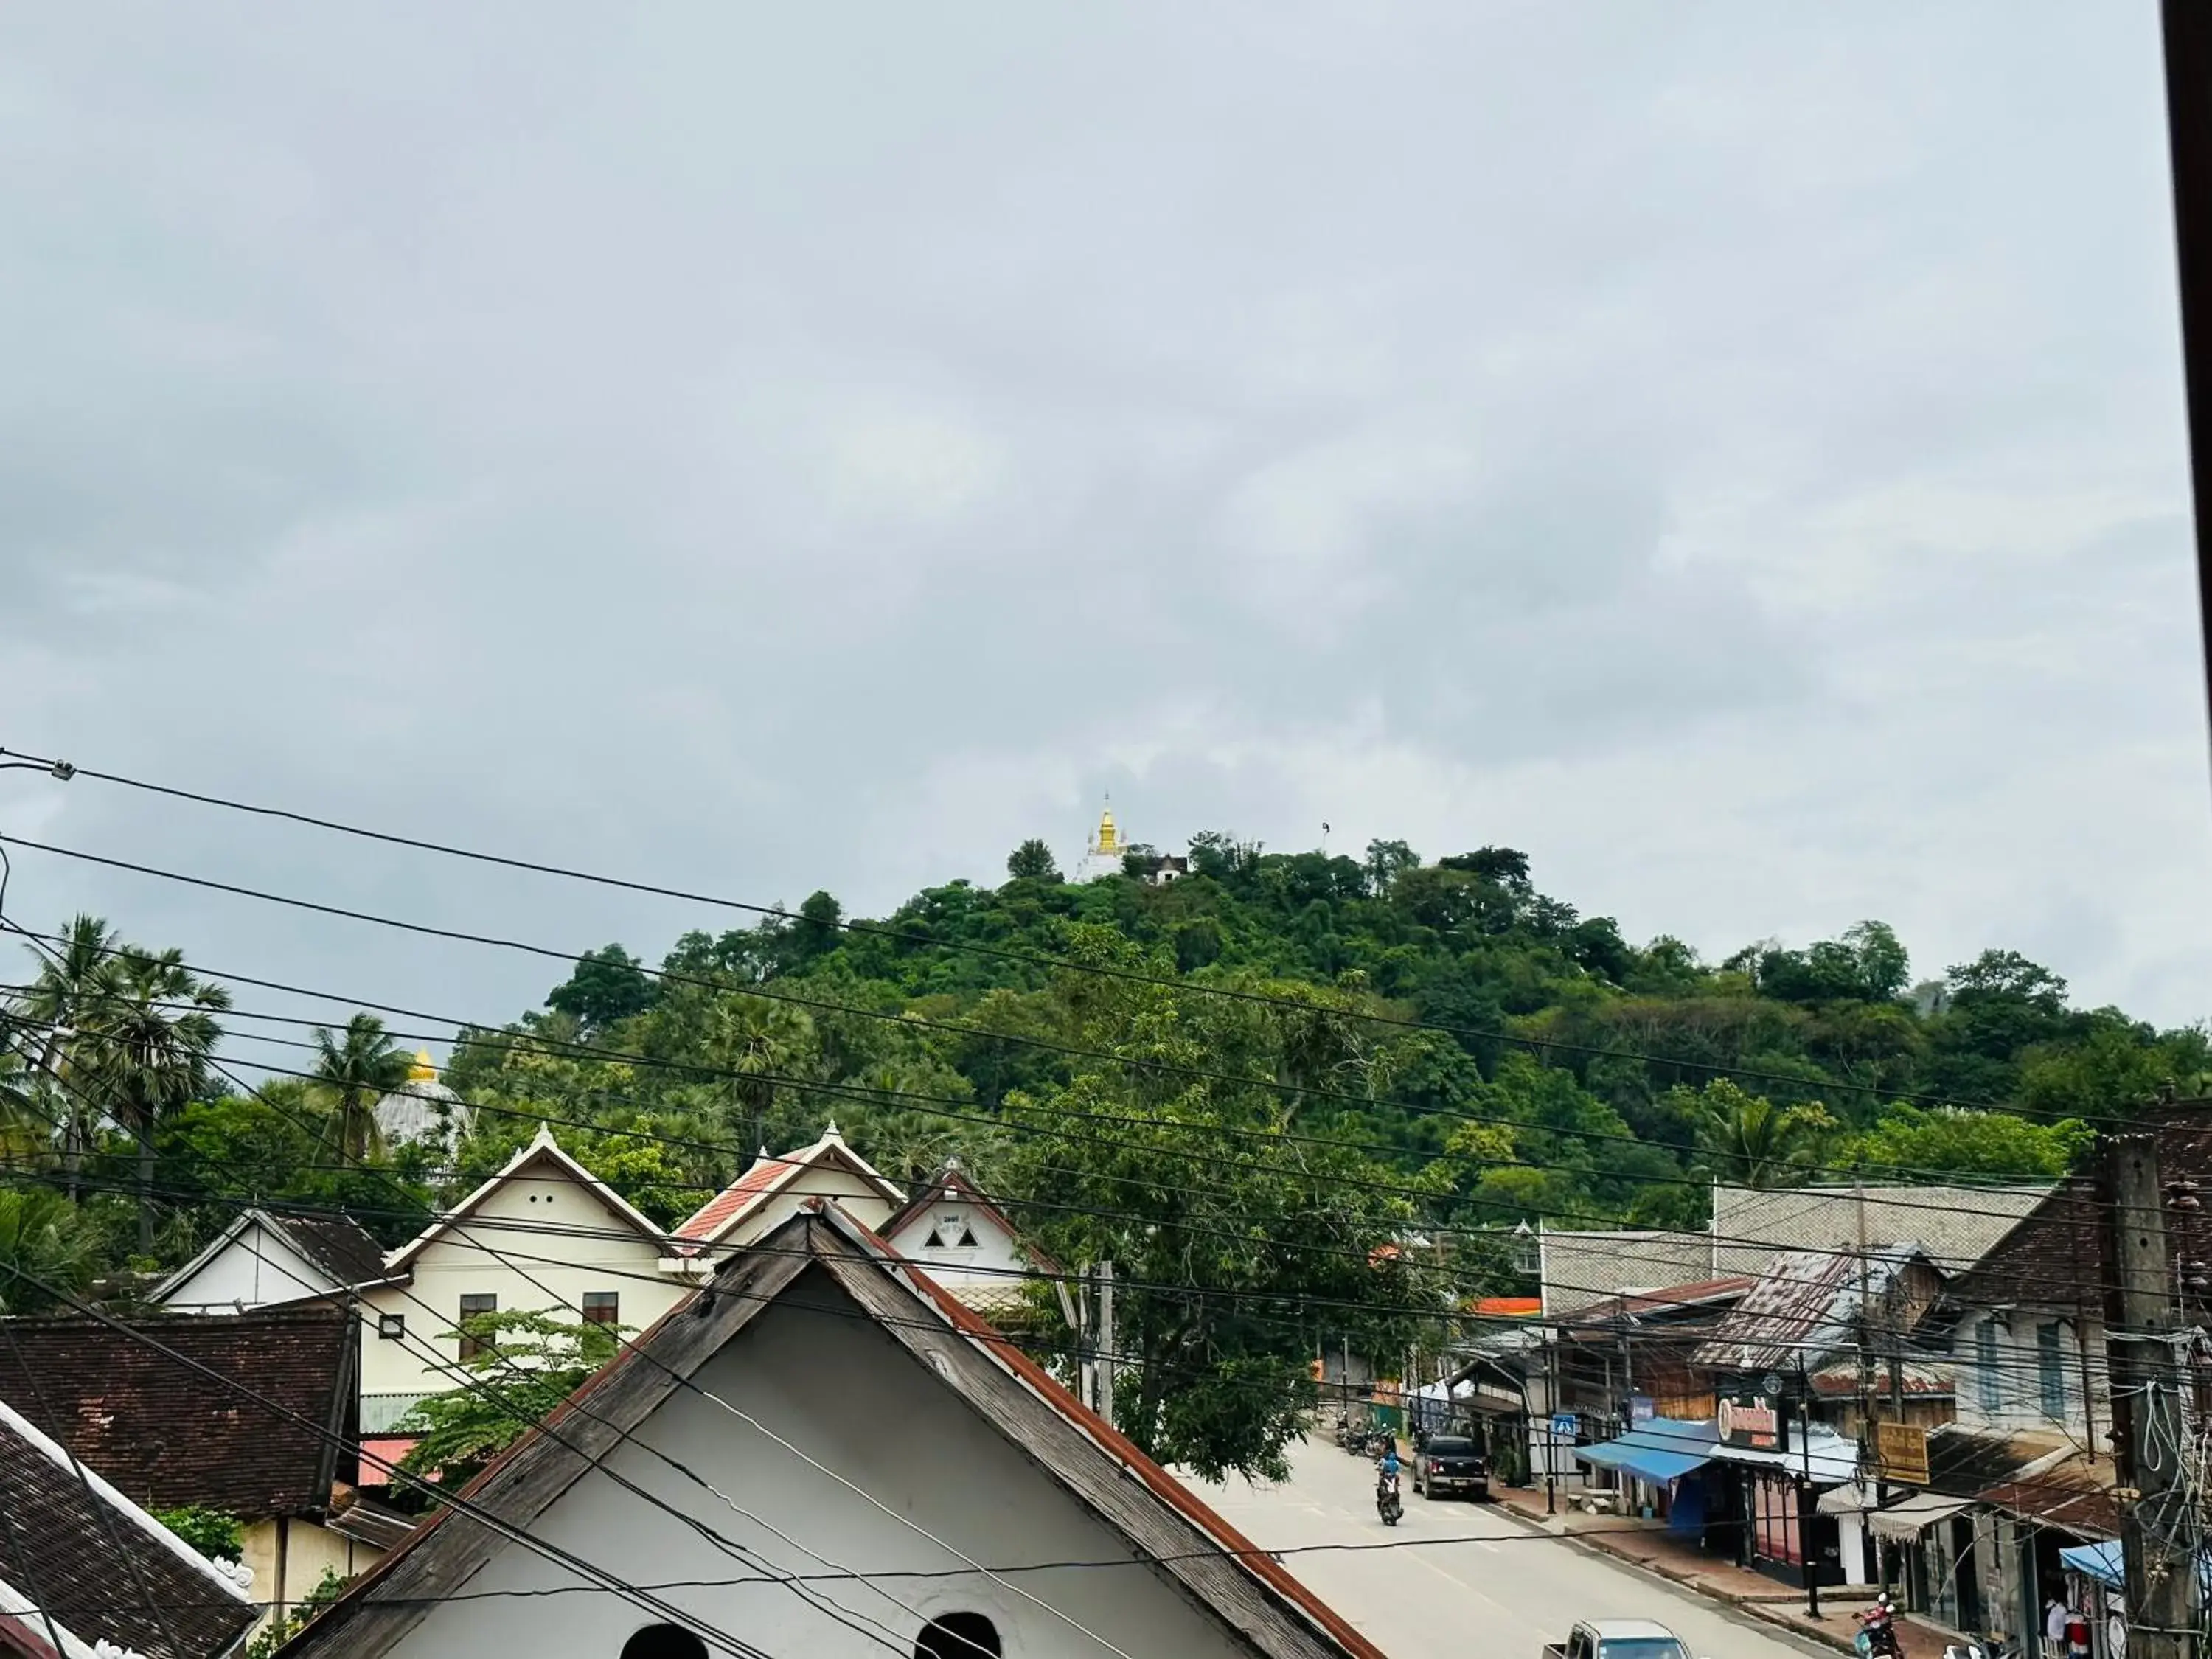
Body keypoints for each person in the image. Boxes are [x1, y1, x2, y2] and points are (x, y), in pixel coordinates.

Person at [2045, 1595, 2069, 1659]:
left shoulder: (2053, 1610)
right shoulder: (2061, 1609)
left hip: (2051, 1636)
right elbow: (2067, 1618)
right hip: (2058, 1637)